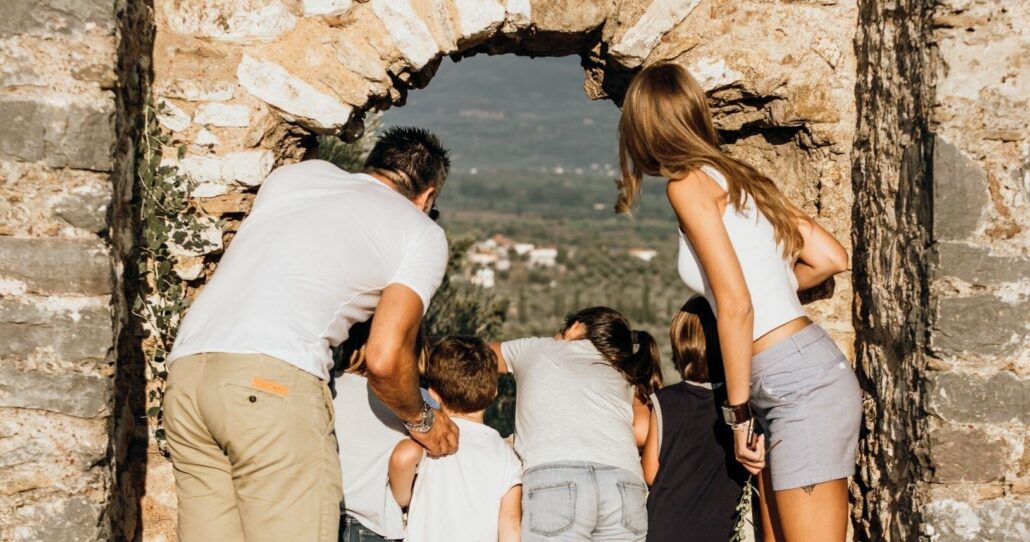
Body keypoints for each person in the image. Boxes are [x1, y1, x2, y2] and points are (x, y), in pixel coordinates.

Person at [162, 127, 460, 542]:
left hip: (188, 376)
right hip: (273, 381)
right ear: (427, 197)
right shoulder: (421, 232)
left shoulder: (297, 177)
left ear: (372, 165)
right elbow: (385, 358)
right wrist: (423, 420)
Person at [618, 63, 860, 542]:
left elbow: (735, 305)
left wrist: (738, 414)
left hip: (793, 386)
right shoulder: (741, 176)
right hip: (794, 372)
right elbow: (830, 257)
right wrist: (777, 290)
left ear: (642, 128)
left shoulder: (686, 186)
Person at [491, 307, 662, 542]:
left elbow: (471, 356)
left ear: (576, 327)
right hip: (623, 482)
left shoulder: (536, 348)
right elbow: (641, 432)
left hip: (556, 478)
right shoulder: (625, 371)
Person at [388, 337, 523, 542]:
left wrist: (402, 498)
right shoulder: (507, 456)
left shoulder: (432, 441)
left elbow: (402, 457)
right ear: (494, 391)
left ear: (434, 395)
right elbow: (511, 522)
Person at [642, 296, 747, 541]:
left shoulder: (664, 400)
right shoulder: (740, 407)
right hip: (720, 526)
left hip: (665, 527)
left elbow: (649, 473)